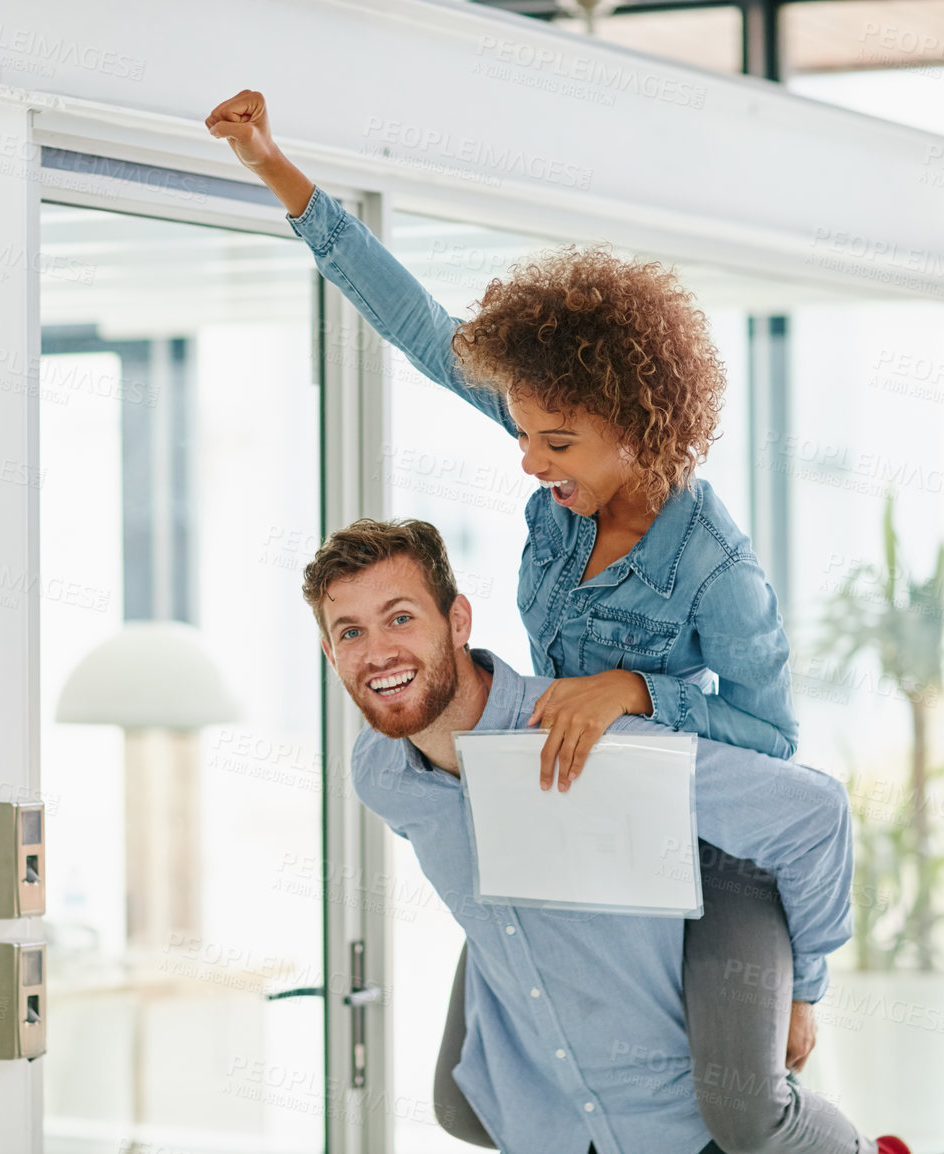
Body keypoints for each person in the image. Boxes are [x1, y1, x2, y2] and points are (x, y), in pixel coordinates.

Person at [204, 90, 822, 1150]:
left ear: (634, 429)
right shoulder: (551, 407)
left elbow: (776, 750)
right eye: (526, 433)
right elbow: (414, 323)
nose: (528, 461)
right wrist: (274, 168)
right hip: (576, 810)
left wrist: (636, 691)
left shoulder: (719, 571)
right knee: (466, 1095)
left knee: (736, 1109)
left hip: (711, 846)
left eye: (557, 444)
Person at [300, 517, 910, 1154]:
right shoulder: (378, 773)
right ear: (329, 652)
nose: (377, 653)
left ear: (457, 621)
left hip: (672, 1103)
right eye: (350, 632)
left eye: (400, 618)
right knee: (462, 1106)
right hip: (553, 1104)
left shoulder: (586, 736)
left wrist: (803, 990)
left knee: (748, 1121)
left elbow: (812, 813)